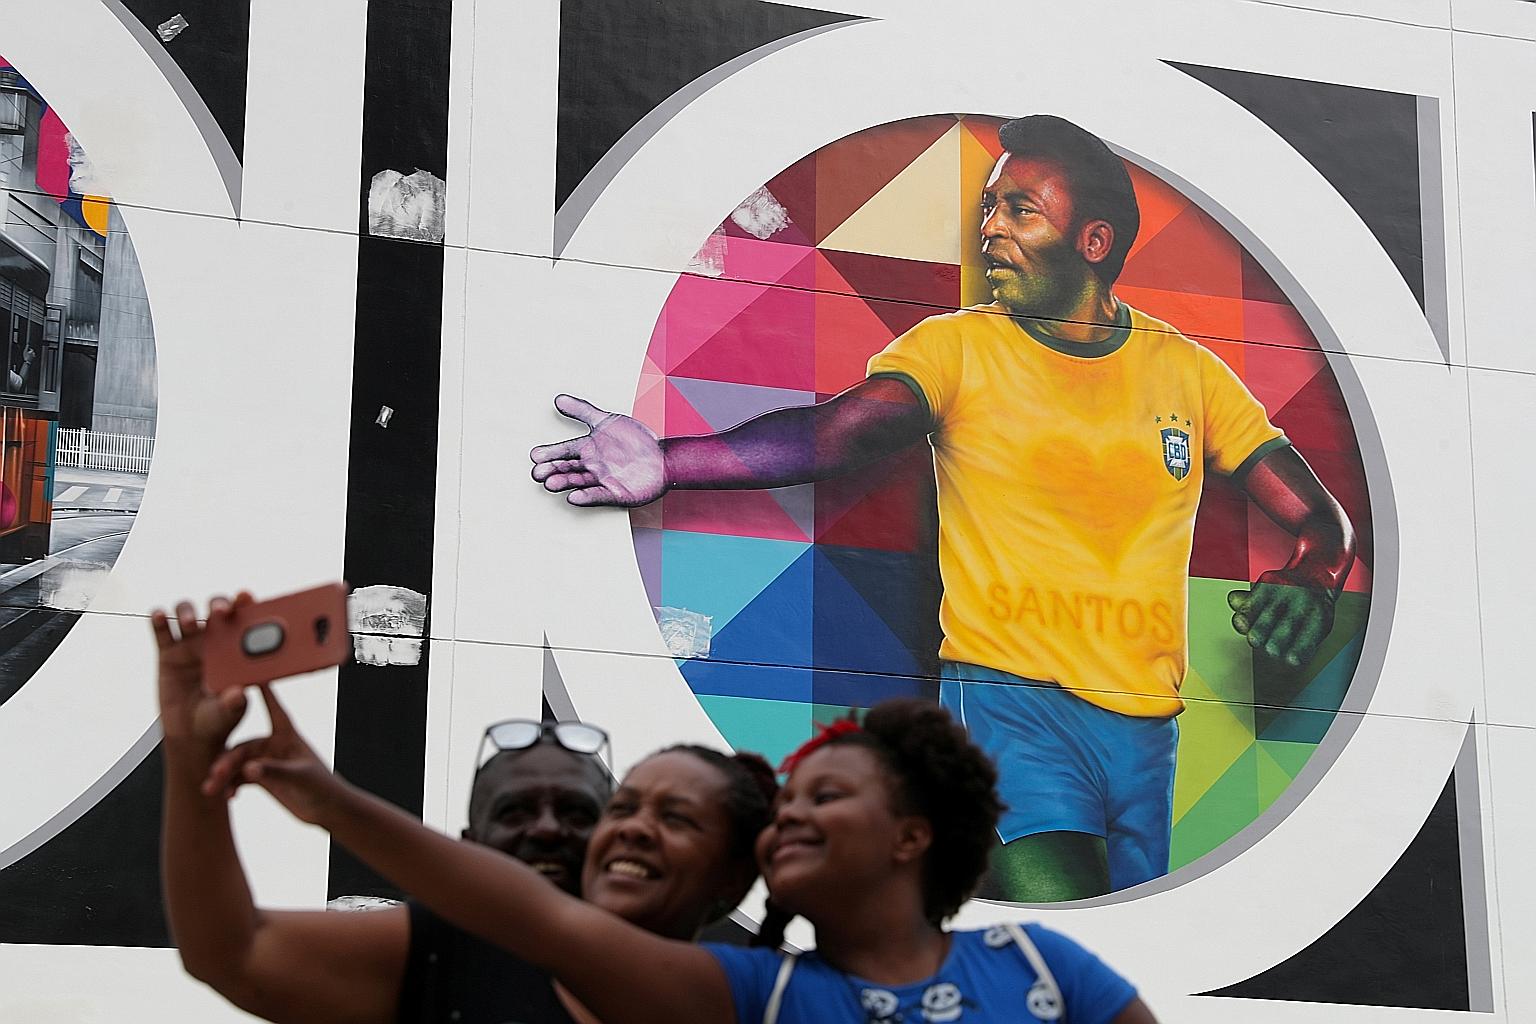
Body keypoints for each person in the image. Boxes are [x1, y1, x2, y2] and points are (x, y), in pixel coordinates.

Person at [527, 113, 1356, 901]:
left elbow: (1322, 521)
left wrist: (1313, 577)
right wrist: (667, 462)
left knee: (1118, 971)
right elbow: (837, 435)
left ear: (1093, 243)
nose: (989, 227)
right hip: (1006, 709)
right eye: (988, 206)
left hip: (1148, 737)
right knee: (1066, 942)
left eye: (1019, 209)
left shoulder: (1190, 373)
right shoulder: (957, 348)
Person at [214, 690, 1160, 1023]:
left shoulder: (1045, 969)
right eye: (780, 808)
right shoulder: (755, 998)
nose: (787, 819)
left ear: (914, 835)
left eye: (823, 798)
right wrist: (330, 801)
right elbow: (533, 917)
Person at [156, 594, 772, 1024]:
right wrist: (190, 757)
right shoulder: (441, 954)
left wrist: (334, 804)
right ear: (467, 847)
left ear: (731, 877)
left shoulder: (756, 997)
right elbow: (233, 953)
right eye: (515, 812)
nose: (549, 830)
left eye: (582, 812)